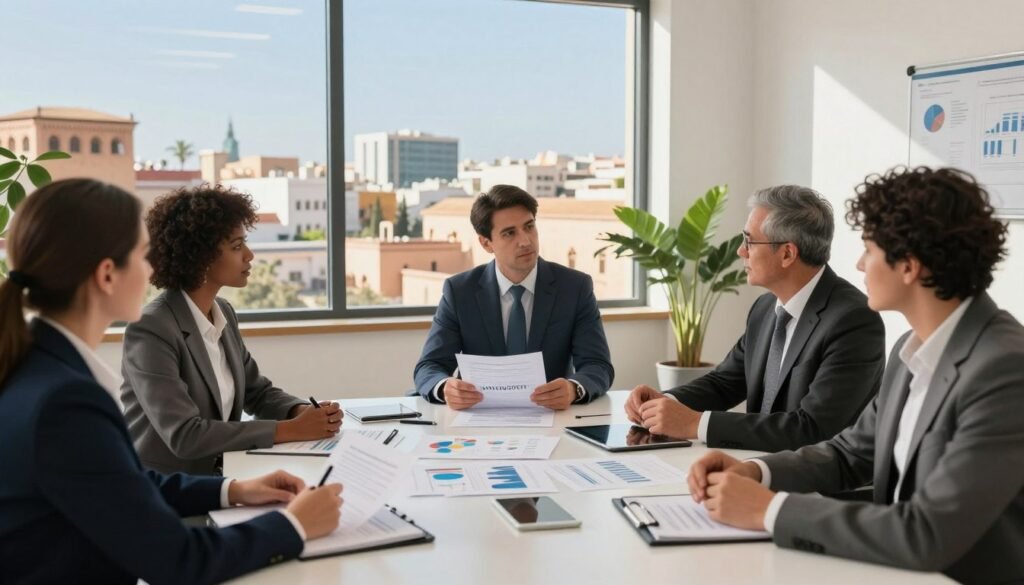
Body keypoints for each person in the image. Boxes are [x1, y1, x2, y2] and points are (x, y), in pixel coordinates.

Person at [688, 167, 1024, 584]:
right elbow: (851, 454)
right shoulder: (911, 350)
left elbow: (929, 532)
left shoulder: (1005, 369)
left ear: (909, 266)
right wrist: (757, 472)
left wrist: (767, 510)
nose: (859, 263)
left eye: (869, 248)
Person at [0, 178, 342, 584]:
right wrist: (295, 527)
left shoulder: (41, 369)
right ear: (107, 274)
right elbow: (180, 561)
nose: (151, 270)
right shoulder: (66, 402)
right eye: (143, 256)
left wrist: (234, 490)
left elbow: (122, 484)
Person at [625, 185, 885, 452]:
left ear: (787, 254)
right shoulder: (765, 308)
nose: (740, 251)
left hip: (817, 485)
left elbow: (812, 428)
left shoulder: (853, 321)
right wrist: (662, 402)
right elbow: (725, 383)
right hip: (757, 466)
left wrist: (696, 424)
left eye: (749, 241)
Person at [120, 184, 341, 475]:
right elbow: (185, 435)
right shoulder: (151, 328)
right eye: (237, 246)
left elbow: (257, 392)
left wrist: (301, 412)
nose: (249, 255)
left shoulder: (222, 311)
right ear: (201, 257)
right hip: (168, 494)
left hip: (224, 476)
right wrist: (289, 430)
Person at [414, 184, 614, 410]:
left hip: (553, 418)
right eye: (510, 233)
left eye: (529, 227)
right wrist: (445, 388)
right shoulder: (460, 292)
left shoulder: (575, 287)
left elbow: (598, 366)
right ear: (486, 242)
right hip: (480, 419)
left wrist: (573, 389)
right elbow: (429, 366)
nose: (525, 241)